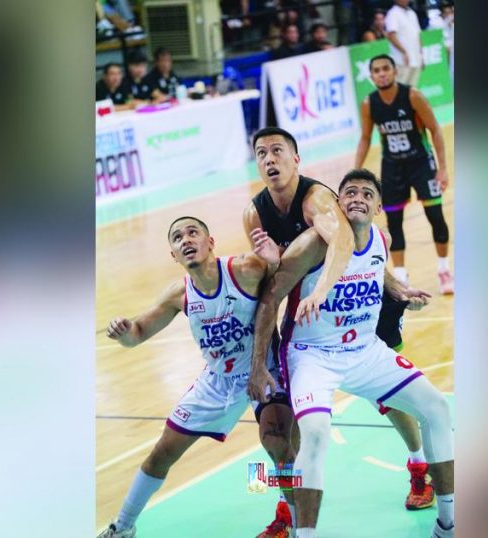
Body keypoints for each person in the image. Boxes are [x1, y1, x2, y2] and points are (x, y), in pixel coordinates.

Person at [244, 127, 440, 533]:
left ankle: (418, 463)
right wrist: (268, 261)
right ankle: (288, 510)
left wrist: (393, 286)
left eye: (277, 150)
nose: (269, 159)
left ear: (296, 159)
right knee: (278, 429)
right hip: (309, 325)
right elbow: (273, 282)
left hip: (356, 301)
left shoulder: (316, 200)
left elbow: (350, 247)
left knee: (390, 401)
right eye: (261, 153)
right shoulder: (254, 212)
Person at [98, 218, 292, 537]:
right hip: (217, 381)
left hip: (265, 369)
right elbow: (138, 333)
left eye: (193, 233)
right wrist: (123, 332)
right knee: (162, 453)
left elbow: (282, 275)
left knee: (277, 443)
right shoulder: (179, 294)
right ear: (174, 255)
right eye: (177, 237)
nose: (186, 239)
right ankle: (122, 526)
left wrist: (275, 262)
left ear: (210, 241)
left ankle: (287, 517)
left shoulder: (244, 269)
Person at [355, 54, 453, 294]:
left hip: (421, 163)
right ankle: (400, 274)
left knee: (435, 217)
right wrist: (356, 172)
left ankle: (443, 269)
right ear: (371, 76)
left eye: (385, 69)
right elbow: (366, 138)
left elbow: (435, 131)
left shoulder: (412, 96)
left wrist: (442, 168)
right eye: (376, 70)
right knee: (394, 222)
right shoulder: (369, 103)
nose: (381, 73)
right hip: (392, 166)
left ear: (394, 71)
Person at [385, 0, 424, 86]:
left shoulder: (412, 13)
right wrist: (403, 52)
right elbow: (391, 35)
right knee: (399, 88)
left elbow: (417, 35)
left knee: (412, 88)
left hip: (415, 57)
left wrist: (421, 56)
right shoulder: (392, 14)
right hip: (401, 59)